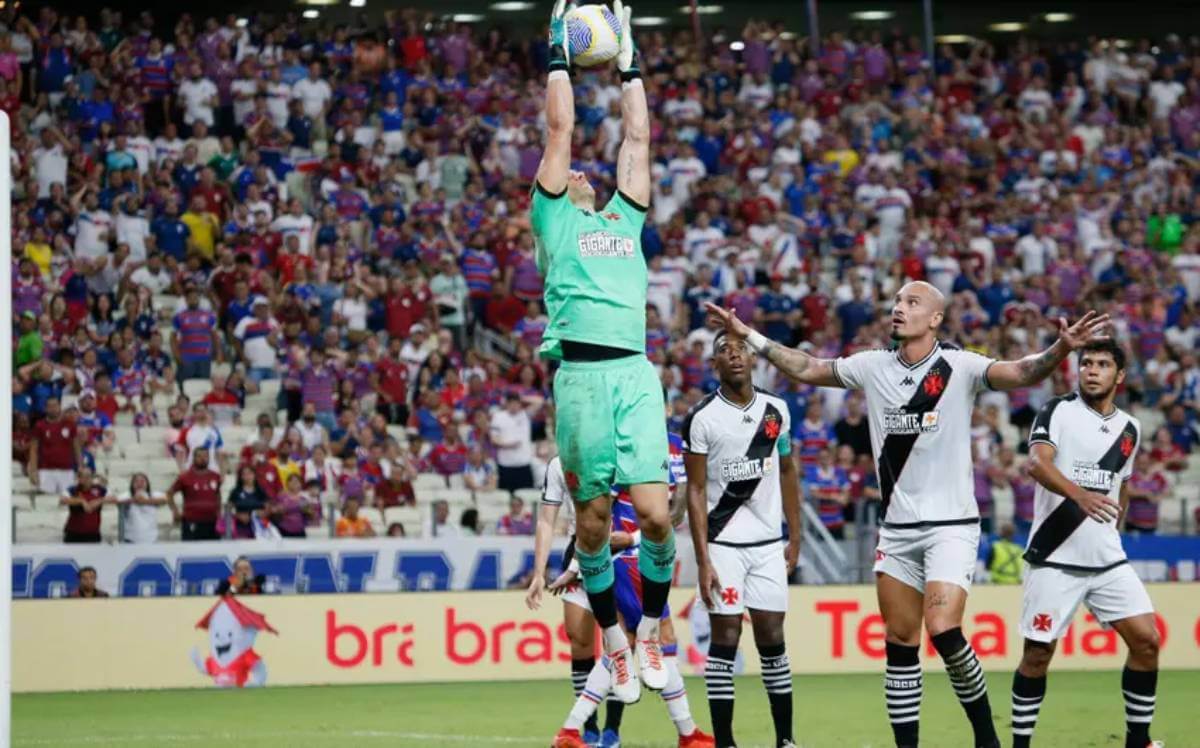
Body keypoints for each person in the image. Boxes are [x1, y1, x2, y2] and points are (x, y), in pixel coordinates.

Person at [705, 282, 1110, 748]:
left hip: (950, 527)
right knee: (900, 644)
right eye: (897, 302)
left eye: (912, 303)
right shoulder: (872, 366)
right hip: (896, 530)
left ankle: (986, 738)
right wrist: (749, 335)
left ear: (935, 318)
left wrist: (1060, 349)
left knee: (942, 630)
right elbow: (807, 367)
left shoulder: (960, 367)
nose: (899, 308)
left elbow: (1019, 373)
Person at [531, 0, 673, 708]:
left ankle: (647, 631)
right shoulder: (553, 214)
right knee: (591, 524)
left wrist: (628, 64)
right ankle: (614, 645)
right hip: (582, 378)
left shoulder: (626, 213)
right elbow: (560, 127)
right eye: (573, 174)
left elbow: (638, 138)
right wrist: (557, 53)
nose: (583, 173)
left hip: (634, 371)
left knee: (654, 514)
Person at [1013, 339, 1161, 748]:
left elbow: (1122, 486)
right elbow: (1036, 464)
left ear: (1120, 375)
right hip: (1055, 556)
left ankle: (1140, 740)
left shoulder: (1131, 427)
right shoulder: (1057, 410)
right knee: (1038, 655)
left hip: (1107, 560)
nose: (1091, 370)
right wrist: (1079, 496)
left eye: (1101, 364)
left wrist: (1115, 530)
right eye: (1086, 363)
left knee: (1147, 642)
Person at [529, 456, 714, 748]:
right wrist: (574, 564)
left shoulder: (646, 457)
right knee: (645, 638)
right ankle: (686, 734)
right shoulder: (625, 460)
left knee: (627, 644)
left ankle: (582, 730)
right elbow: (599, 522)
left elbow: (668, 514)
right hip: (622, 559)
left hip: (625, 555)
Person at [683, 332, 801, 748]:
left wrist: (796, 535)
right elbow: (694, 491)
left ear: (753, 359)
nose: (733, 354)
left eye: (740, 349)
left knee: (771, 635)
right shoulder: (702, 418)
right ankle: (726, 742)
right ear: (714, 363)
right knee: (726, 638)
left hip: (769, 543)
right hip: (723, 543)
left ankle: (785, 739)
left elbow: (787, 471)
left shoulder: (777, 410)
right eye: (723, 351)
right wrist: (703, 559)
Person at [167, 447, 224, 540]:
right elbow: (170, 493)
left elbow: (218, 495)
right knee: (191, 552)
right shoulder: (185, 477)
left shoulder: (215, 476)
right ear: (193, 458)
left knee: (213, 551)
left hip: (212, 521)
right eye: (199, 456)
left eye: (206, 456)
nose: (203, 459)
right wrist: (175, 511)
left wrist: (219, 512)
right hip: (191, 521)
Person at [29, 396, 83, 495]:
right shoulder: (39, 426)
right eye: (50, 406)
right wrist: (33, 470)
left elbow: (76, 447)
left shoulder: (70, 425)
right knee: (47, 502)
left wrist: (80, 466)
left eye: (55, 406)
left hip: (67, 470)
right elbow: (34, 449)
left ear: (60, 407)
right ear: (45, 408)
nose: (53, 409)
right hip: (46, 470)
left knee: (67, 501)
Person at [60, 466, 109, 543]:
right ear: (79, 478)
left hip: (93, 534)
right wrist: (81, 501)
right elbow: (62, 500)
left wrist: (99, 501)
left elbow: (114, 498)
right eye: (85, 477)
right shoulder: (73, 489)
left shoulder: (99, 489)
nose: (88, 479)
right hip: (74, 534)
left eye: (89, 476)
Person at [120, 472, 169, 544]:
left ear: (147, 483)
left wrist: (144, 501)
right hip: (130, 538)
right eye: (136, 481)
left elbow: (165, 500)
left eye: (142, 481)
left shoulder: (154, 494)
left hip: (151, 538)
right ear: (132, 484)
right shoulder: (126, 495)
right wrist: (134, 499)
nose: (139, 484)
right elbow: (117, 501)